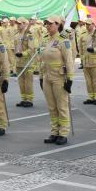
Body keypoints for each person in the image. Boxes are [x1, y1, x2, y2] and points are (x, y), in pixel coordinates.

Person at [40, 15, 75, 144]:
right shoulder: (45, 40)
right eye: (47, 24)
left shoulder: (63, 40)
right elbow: (42, 60)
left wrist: (70, 79)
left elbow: (69, 61)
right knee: (51, 106)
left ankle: (63, 133)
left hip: (59, 77)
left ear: (58, 25)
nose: (48, 26)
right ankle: (54, 132)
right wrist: (40, 77)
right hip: (47, 76)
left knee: (61, 106)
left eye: (50, 24)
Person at [14, 17, 39, 107]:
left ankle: (29, 99)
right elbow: (15, 48)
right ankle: (24, 99)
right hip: (19, 62)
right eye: (18, 23)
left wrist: (23, 54)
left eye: (20, 23)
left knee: (28, 82)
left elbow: (31, 48)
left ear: (25, 24)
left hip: (28, 62)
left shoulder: (29, 35)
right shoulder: (16, 35)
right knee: (21, 82)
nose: (18, 25)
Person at [78, 18, 96, 105]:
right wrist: (81, 57)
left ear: (93, 24)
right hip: (85, 61)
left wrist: (93, 49)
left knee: (95, 81)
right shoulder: (83, 35)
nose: (88, 26)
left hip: (94, 61)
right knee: (88, 81)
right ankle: (90, 96)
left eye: (89, 24)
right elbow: (80, 47)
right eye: (87, 24)